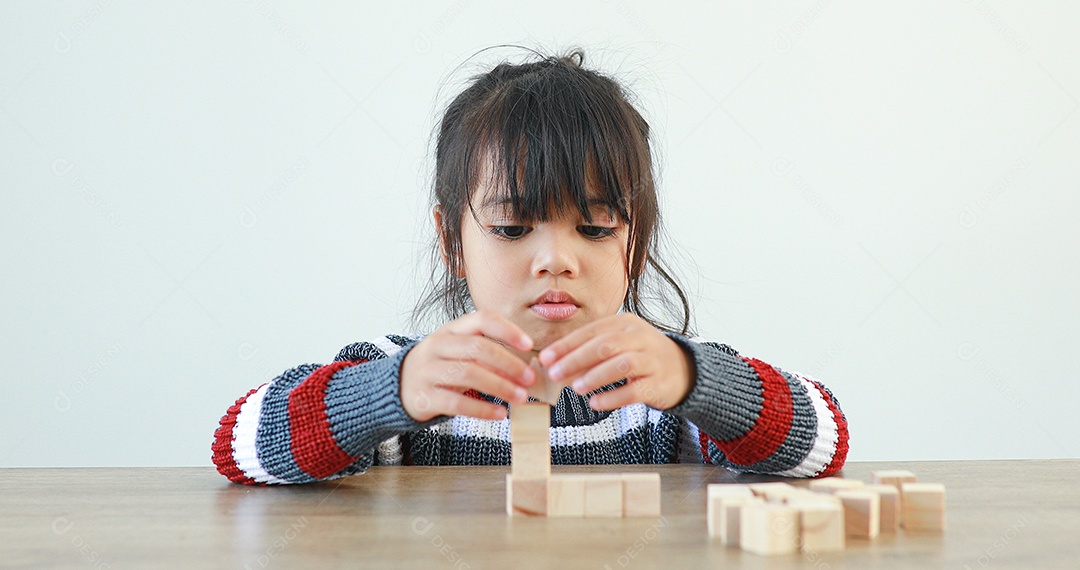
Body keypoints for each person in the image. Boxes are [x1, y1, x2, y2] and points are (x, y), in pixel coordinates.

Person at [211, 47, 849, 485]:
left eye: (596, 228)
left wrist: (694, 380)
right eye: (513, 228)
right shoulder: (414, 378)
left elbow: (823, 439)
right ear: (451, 243)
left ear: (638, 247)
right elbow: (241, 445)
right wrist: (390, 396)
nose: (556, 260)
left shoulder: (660, 386)